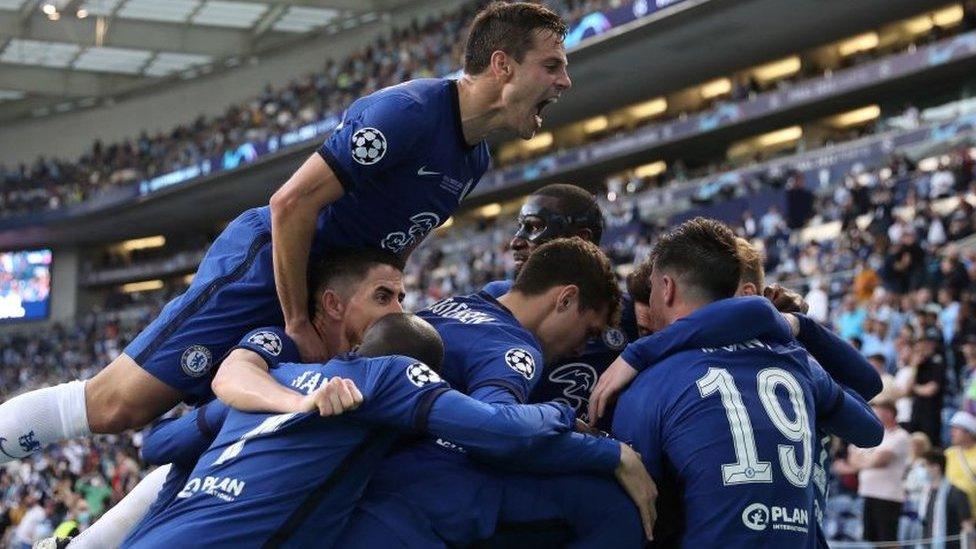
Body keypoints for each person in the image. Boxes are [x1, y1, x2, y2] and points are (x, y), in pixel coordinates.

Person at [0, 0, 573, 464]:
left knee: (248, 430)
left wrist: (365, 305)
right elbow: (290, 204)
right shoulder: (411, 112)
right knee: (119, 407)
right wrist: (298, 318)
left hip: (327, 293)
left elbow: (399, 243)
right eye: (552, 65)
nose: (565, 81)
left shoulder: (474, 162)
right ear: (503, 65)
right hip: (268, 269)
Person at [123, 313, 645, 547]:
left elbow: (159, 444)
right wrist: (562, 413)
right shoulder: (385, 379)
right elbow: (503, 430)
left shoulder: (269, 380)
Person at [47, 247, 409, 548]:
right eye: (383, 296)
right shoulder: (286, 346)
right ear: (333, 304)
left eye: (401, 298)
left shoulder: (381, 371)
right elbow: (225, 382)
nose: (398, 311)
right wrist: (296, 403)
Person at [339, 238, 655, 547]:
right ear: (565, 299)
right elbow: (501, 433)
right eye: (588, 332)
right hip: (410, 499)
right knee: (614, 508)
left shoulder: (459, 304)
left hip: (354, 477)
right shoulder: (513, 349)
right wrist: (603, 448)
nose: (580, 349)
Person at [610, 218, 882, 547]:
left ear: (666, 288)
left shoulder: (650, 384)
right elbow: (871, 428)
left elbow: (643, 519)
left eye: (653, 289)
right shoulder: (797, 361)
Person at [482, 184, 637, 421]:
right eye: (520, 227)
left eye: (534, 226)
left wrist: (638, 355)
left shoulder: (625, 313)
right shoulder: (497, 299)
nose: (516, 242)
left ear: (580, 239)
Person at [833, 400, 911, 543]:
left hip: (887, 495)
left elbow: (880, 460)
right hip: (868, 492)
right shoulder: (872, 434)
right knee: (869, 539)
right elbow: (854, 458)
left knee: (887, 540)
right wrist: (866, 461)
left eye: (877, 411)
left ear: (889, 413)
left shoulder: (900, 436)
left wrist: (859, 463)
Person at [918, 449, 973, 549]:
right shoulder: (925, 493)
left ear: (936, 467)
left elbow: (968, 527)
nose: (921, 469)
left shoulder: (957, 493)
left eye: (924, 465)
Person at [946, 411, 976, 523]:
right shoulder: (948, 454)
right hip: (950, 517)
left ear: (968, 432)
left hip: (971, 518)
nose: (952, 433)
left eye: (956, 429)